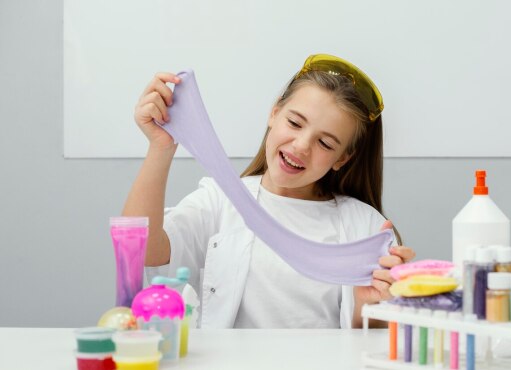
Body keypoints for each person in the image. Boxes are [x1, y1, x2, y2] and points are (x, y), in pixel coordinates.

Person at [123, 54, 415, 329]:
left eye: (325, 143)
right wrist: (160, 148)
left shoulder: (366, 228)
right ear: (274, 113)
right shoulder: (220, 200)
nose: (301, 146)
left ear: (342, 158)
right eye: (294, 123)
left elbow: (371, 342)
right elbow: (140, 251)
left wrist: (371, 309)